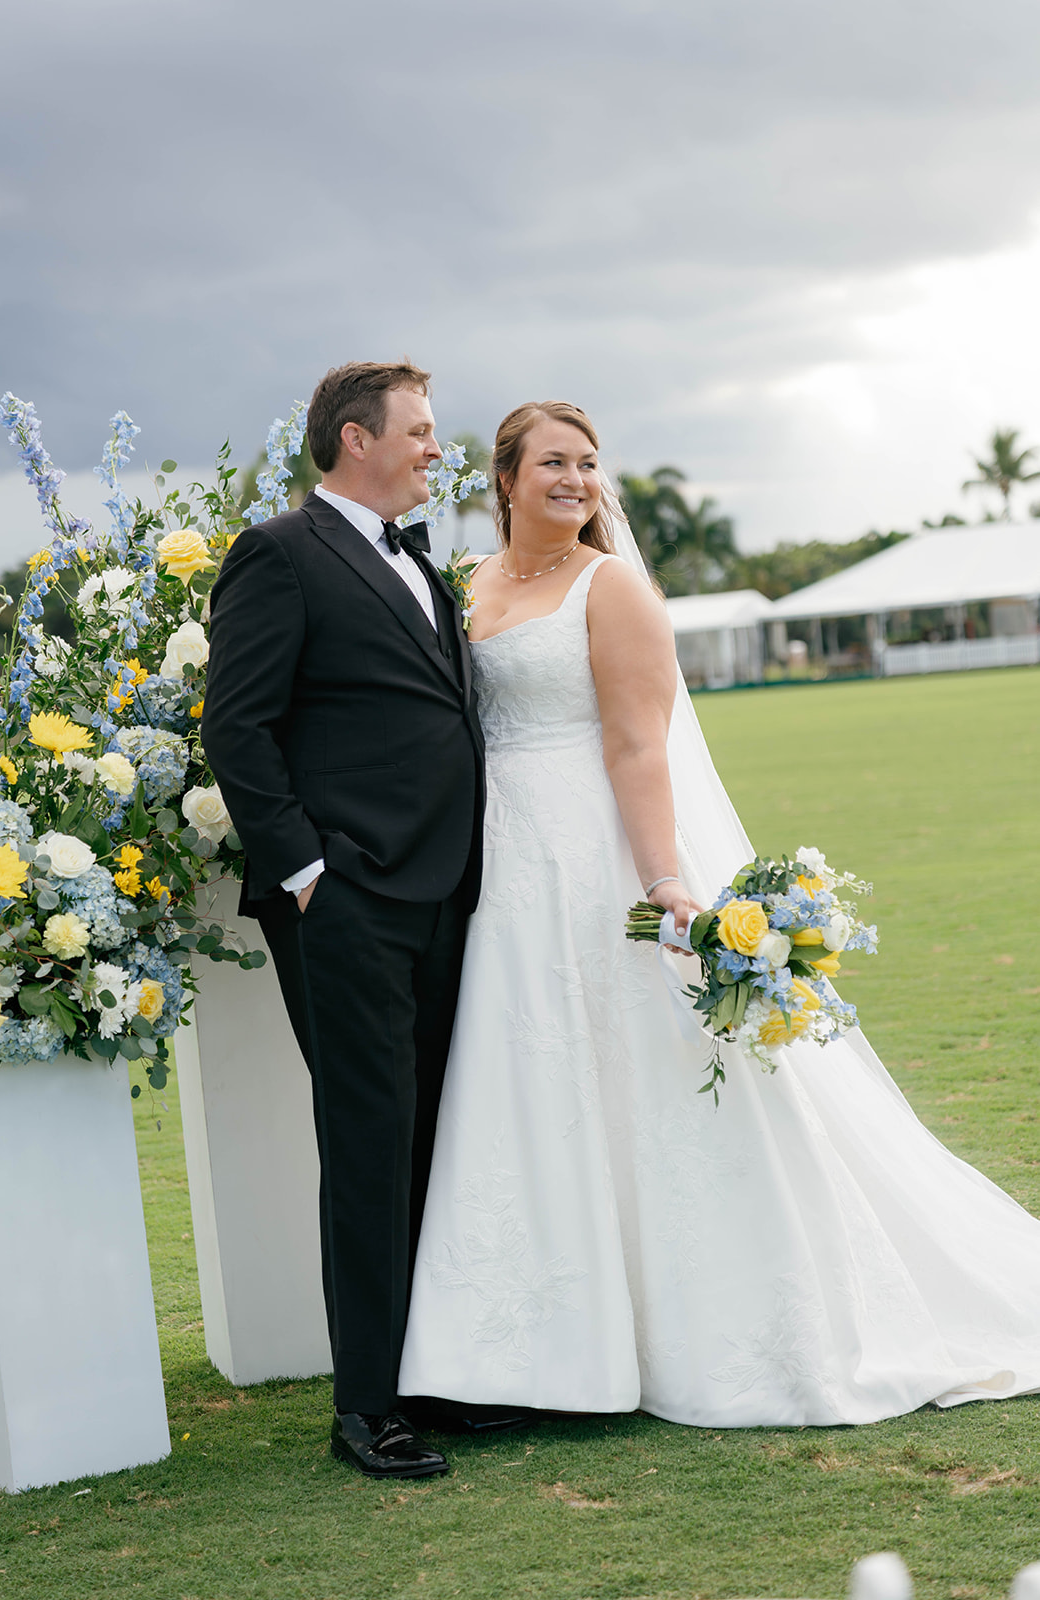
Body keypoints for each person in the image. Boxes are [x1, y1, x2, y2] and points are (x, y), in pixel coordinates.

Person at [397, 400, 1040, 1426]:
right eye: (552, 462)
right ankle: (529, 1347)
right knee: (522, 1071)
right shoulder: (465, 583)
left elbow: (637, 745)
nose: (574, 479)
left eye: (588, 463)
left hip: (591, 852)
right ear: (504, 479)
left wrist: (664, 884)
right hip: (497, 862)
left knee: (630, 1071)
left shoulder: (612, 587)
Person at [201, 360, 487, 1478]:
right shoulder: (280, 552)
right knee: (368, 1144)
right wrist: (309, 871)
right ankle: (365, 1407)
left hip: (446, 893)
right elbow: (237, 728)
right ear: (354, 438)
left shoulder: (422, 562)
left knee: (431, 1138)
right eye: (418, 431)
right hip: (349, 901)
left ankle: (431, 1374)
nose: (434, 449)